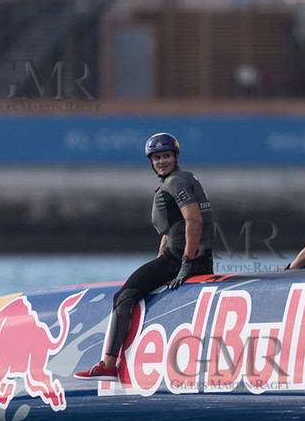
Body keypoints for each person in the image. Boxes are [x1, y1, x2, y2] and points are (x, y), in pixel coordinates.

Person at [77, 132, 215, 379]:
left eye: (166, 156)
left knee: (123, 297)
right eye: (157, 158)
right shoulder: (186, 178)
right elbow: (173, 227)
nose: (162, 162)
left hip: (179, 260)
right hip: (199, 258)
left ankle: (108, 364)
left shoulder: (175, 182)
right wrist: (164, 258)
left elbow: (194, 220)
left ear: (176, 156)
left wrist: (185, 262)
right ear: (151, 161)